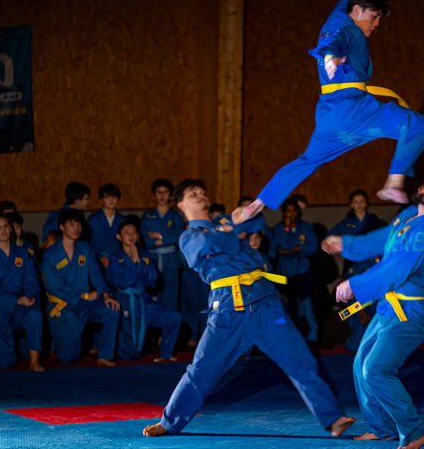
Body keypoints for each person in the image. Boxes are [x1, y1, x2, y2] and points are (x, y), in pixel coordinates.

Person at [143, 179, 355, 438]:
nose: (201, 195)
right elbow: (220, 243)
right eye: (193, 193)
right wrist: (234, 230)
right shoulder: (189, 237)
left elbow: (256, 224)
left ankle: (332, 418)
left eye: (202, 191)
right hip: (227, 309)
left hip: (264, 301)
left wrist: (241, 218)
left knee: (299, 359)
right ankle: (170, 421)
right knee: (203, 370)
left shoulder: (225, 221)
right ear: (180, 204)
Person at [233, 0, 424, 224]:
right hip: (354, 109)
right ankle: (393, 183)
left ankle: (255, 206)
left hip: (330, 117)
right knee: (420, 125)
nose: (376, 24)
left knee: (307, 161)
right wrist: (329, 56)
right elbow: (333, 43)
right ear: (358, 12)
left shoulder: (338, 16)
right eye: (374, 17)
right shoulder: (350, 31)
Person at [325, 174, 424, 449]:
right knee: (361, 366)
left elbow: (396, 268)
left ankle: (414, 431)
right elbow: (383, 238)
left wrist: (355, 284)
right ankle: (383, 428)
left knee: (376, 369)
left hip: (412, 313)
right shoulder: (409, 215)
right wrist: (347, 244)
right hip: (388, 307)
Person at [41, 209, 120, 365]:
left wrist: (106, 295)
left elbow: (96, 276)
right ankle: (59, 346)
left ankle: (105, 356)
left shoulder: (85, 248)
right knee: (68, 358)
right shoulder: (51, 254)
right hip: (63, 307)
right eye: (71, 224)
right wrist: (84, 296)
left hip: (85, 305)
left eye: (78, 224)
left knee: (112, 309)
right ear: (62, 227)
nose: (76, 228)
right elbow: (53, 286)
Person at [106, 220, 181, 362]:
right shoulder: (115, 258)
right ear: (119, 237)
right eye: (127, 233)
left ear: (138, 236)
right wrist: (135, 263)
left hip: (143, 300)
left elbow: (151, 280)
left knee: (173, 317)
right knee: (129, 354)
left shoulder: (145, 255)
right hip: (125, 302)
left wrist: (139, 261)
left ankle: (166, 352)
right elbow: (123, 282)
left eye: (134, 232)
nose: (131, 236)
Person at [0, 213, 44, 370]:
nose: (3, 231)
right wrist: (16, 300)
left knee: (35, 315)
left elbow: (31, 281)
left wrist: (29, 297)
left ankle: (34, 361)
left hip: (21, 305)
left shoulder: (23, 253)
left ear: (11, 229)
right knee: (6, 363)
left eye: (6, 226)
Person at [328, 190, 383, 350]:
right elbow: (329, 238)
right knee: (353, 303)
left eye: (362, 201)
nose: (359, 204)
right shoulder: (346, 224)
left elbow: (386, 239)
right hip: (353, 267)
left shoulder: (375, 222)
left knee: (372, 302)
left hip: (371, 266)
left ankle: (371, 341)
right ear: (351, 205)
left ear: (367, 203)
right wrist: (342, 248)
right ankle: (355, 340)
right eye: (356, 201)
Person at [269, 197, 319, 342]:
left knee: (306, 307)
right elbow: (280, 248)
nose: (291, 214)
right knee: (287, 306)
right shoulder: (279, 229)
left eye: (294, 211)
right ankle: (290, 339)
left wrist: (299, 249)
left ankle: (312, 338)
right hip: (286, 272)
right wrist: (287, 229)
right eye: (288, 211)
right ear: (283, 213)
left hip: (303, 270)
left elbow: (312, 246)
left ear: (298, 212)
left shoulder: (306, 227)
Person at [140, 179, 185, 311]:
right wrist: (156, 239)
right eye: (158, 192)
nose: (162, 195)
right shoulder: (147, 216)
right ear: (153, 195)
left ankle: (171, 323)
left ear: (170, 195)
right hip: (152, 260)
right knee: (152, 296)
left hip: (170, 261)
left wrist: (157, 236)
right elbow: (142, 238)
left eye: (165, 192)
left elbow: (179, 236)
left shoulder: (176, 216)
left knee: (171, 298)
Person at [88, 183, 126, 268]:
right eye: (107, 197)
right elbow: (89, 244)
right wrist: (101, 257)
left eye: (114, 197)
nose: (111, 200)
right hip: (97, 260)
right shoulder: (93, 220)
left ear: (118, 199)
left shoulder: (123, 220)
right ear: (101, 200)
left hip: (120, 260)